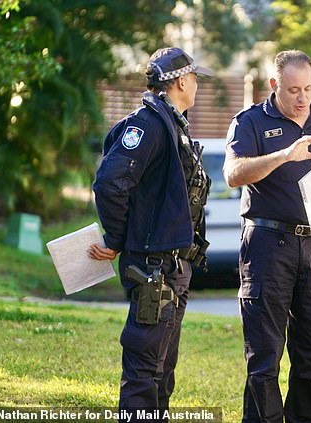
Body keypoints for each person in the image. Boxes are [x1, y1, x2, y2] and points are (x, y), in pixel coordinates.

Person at [223, 49, 311, 423]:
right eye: (293, 90)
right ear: (274, 85)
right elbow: (233, 174)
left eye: (308, 89)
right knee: (264, 357)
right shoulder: (250, 122)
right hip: (266, 247)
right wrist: (283, 156)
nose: (302, 99)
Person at [88, 47, 213, 419]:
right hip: (154, 271)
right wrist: (117, 239)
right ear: (179, 81)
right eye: (194, 79)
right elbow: (110, 184)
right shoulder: (149, 125)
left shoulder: (173, 123)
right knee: (144, 371)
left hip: (175, 268)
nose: (197, 86)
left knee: (162, 371)